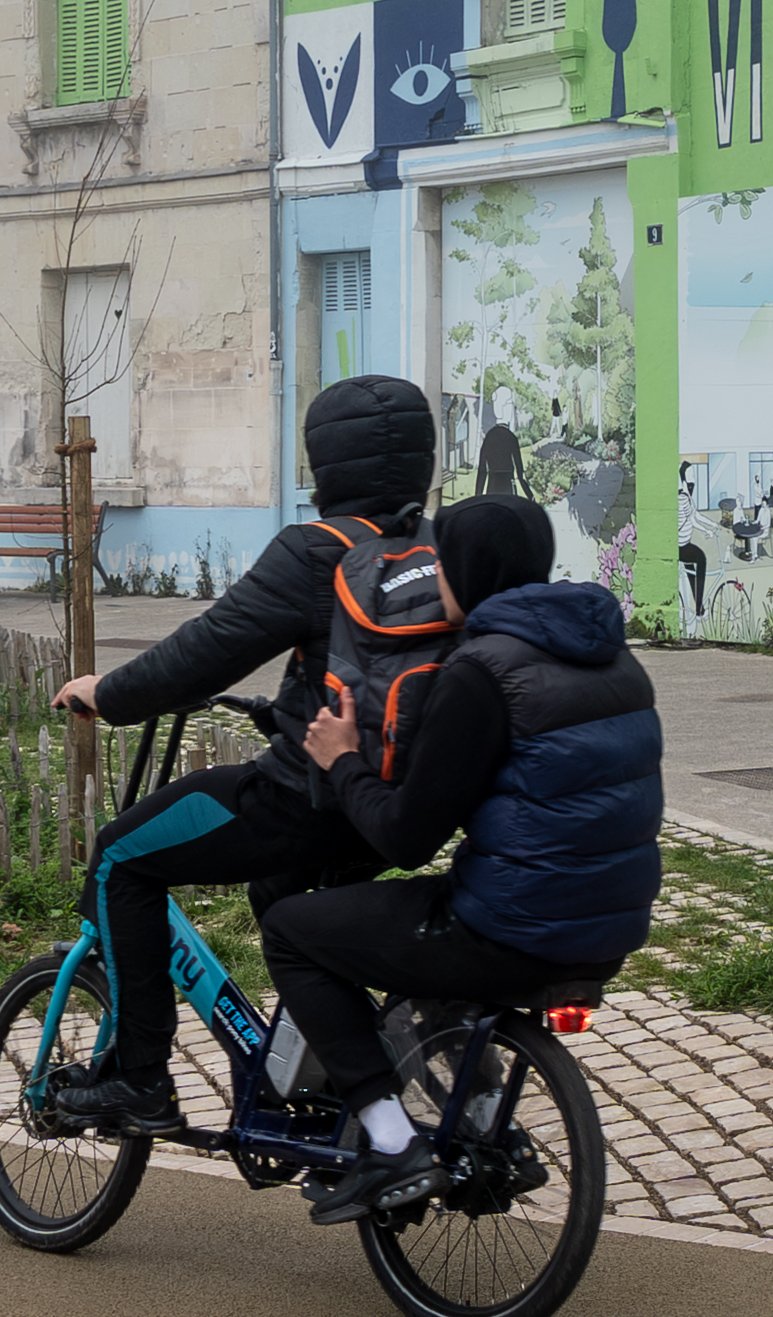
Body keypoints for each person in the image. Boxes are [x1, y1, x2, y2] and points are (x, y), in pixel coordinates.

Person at [41, 373, 439, 1133]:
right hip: (392, 804)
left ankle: (139, 1078)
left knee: (121, 858)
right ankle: (321, 1076)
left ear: (326, 466)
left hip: (305, 799)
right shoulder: (432, 552)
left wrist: (109, 693)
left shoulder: (319, 549)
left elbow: (206, 651)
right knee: (285, 904)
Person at [263, 493, 663, 1225]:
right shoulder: (611, 655)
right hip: (607, 925)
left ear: (465, 571)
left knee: (294, 927)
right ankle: (472, 1107)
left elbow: (405, 837)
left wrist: (343, 758)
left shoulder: (481, 672)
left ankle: (390, 1140)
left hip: (514, 927)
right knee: (421, 937)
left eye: (440, 560)